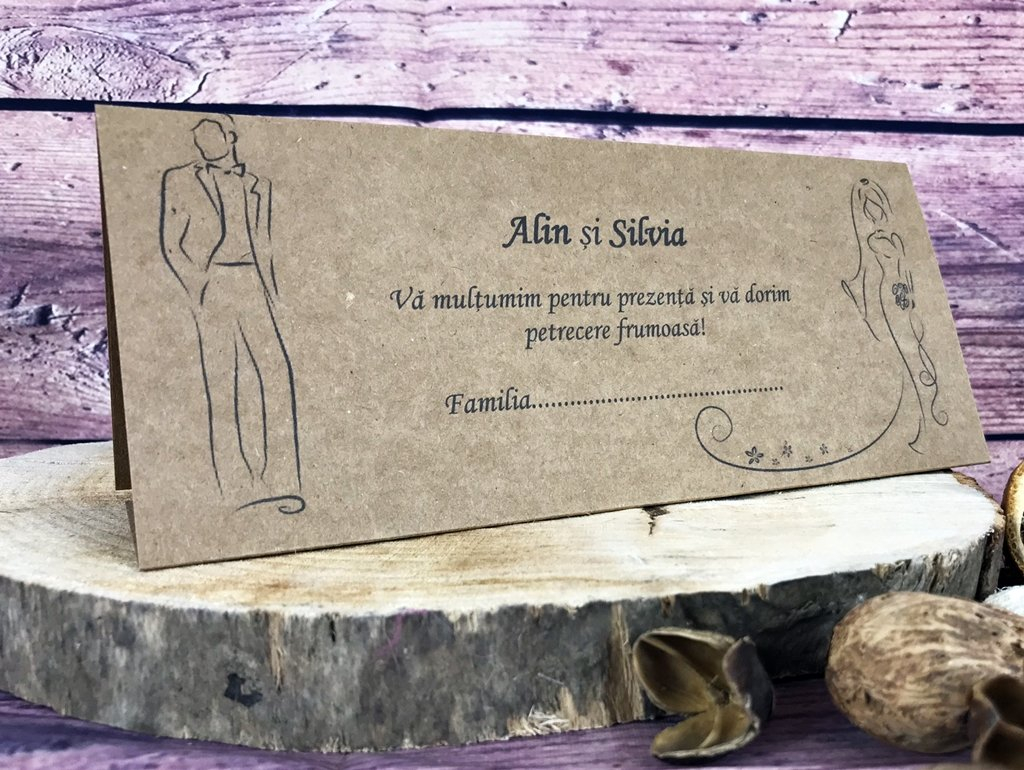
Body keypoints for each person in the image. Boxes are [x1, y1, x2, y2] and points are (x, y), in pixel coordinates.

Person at [159, 114, 303, 513]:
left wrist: (274, 294)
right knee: (223, 382)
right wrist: (198, 285)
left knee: (275, 373)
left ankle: (283, 480)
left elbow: (265, 244)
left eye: (210, 134)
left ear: (231, 136)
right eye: (198, 137)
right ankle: (234, 489)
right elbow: (171, 243)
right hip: (215, 282)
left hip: (253, 282)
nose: (203, 143)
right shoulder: (180, 179)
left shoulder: (258, 184)